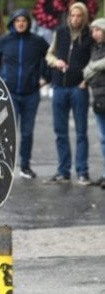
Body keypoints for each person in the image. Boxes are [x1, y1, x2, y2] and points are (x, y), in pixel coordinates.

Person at [0, 9, 50, 180]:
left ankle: (25, 166)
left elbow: (50, 57)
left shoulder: (37, 41)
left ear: (28, 23)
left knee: (27, 132)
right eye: (18, 21)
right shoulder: (5, 40)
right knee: (6, 132)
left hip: (31, 94)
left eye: (24, 20)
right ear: (13, 23)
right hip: (9, 94)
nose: (21, 23)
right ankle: (3, 166)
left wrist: (46, 78)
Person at [44, 1, 93, 185]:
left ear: (84, 17)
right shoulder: (61, 32)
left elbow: (93, 60)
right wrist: (55, 62)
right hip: (59, 86)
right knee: (60, 132)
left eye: (79, 15)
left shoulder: (89, 36)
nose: (75, 18)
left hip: (78, 88)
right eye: (72, 15)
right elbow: (49, 54)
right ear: (68, 16)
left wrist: (85, 80)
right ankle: (63, 171)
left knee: (81, 132)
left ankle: (82, 171)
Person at [83, 17, 105, 188]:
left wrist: (94, 66)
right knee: (103, 138)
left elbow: (92, 68)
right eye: (93, 30)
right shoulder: (94, 48)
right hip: (98, 98)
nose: (94, 33)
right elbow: (87, 73)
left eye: (97, 30)